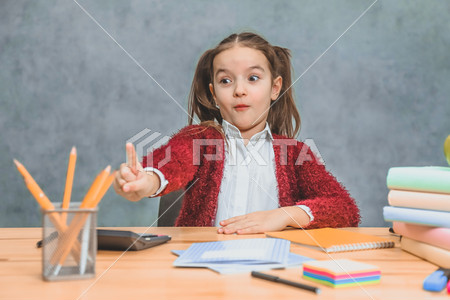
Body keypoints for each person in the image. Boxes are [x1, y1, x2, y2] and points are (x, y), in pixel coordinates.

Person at [113, 32, 360, 234]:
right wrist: (146, 181)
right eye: (226, 81)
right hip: (200, 272)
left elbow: (344, 208)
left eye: (253, 78)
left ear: (275, 88)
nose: (239, 90)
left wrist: (285, 215)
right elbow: (174, 161)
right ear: (213, 94)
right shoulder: (199, 140)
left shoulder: (295, 154)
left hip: (276, 272)